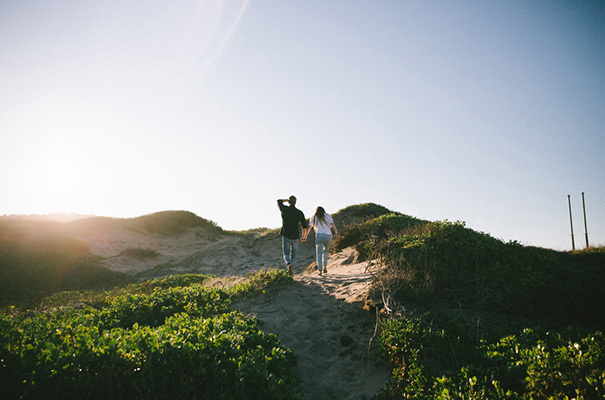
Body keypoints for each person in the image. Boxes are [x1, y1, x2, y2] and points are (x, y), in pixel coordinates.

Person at [302, 206, 340, 276]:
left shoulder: (314, 217)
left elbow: (309, 227)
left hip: (319, 235)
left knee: (319, 253)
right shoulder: (327, 216)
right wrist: (336, 231)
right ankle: (325, 266)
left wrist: (305, 235)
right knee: (326, 251)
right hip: (328, 236)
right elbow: (332, 224)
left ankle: (320, 270)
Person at [277, 196, 308, 276]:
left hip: (286, 235)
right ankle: (291, 269)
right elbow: (304, 226)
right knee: (293, 255)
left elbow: (279, 201)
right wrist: (304, 236)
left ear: (289, 202)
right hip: (295, 236)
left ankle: (288, 263)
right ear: (296, 202)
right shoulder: (299, 212)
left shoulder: (285, 209)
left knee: (286, 254)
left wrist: (288, 200)